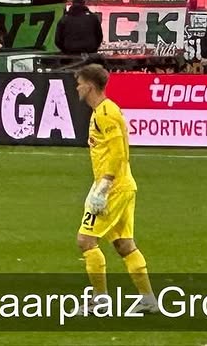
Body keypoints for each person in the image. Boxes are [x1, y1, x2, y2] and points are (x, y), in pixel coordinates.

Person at [73, 63, 158, 312]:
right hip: (121, 185)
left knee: (86, 241)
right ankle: (148, 299)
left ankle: (99, 300)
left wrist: (104, 185)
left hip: (113, 188)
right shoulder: (105, 111)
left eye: (79, 83)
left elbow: (119, 152)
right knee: (124, 244)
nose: (77, 87)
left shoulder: (105, 113)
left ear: (89, 86)